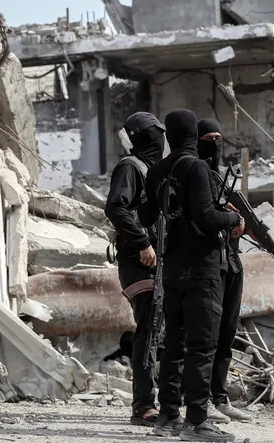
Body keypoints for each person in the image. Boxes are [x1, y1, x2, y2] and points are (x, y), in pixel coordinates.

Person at [139, 109, 244, 442]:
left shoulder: (157, 171)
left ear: (169, 136)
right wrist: (234, 219)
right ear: (192, 136)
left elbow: (145, 215)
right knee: (202, 346)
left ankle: (168, 416)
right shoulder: (197, 167)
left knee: (173, 345)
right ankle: (197, 422)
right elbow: (207, 218)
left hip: (172, 270)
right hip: (202, 269)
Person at [104, 111, 166, 427]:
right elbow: (116, 207)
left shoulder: (153, 170)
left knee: (160, 330)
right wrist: (142, 243)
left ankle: (166, 401)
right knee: (149, 329)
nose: (161, 139)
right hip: (139, 263)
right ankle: (143, 405)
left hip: (158, 263)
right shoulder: (131, 167)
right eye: (156, 133)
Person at [196, 118, 253, 424]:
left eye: (219, 138)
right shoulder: (194, 175)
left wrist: (237, 223)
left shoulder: (219, 178)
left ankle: (219, 397)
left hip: (231, 262)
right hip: (208, 266)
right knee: (206, 336)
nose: (215, 144)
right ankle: (200, 400)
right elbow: (204, 218)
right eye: (208, 138)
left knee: (227, 333)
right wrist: (229, 219)